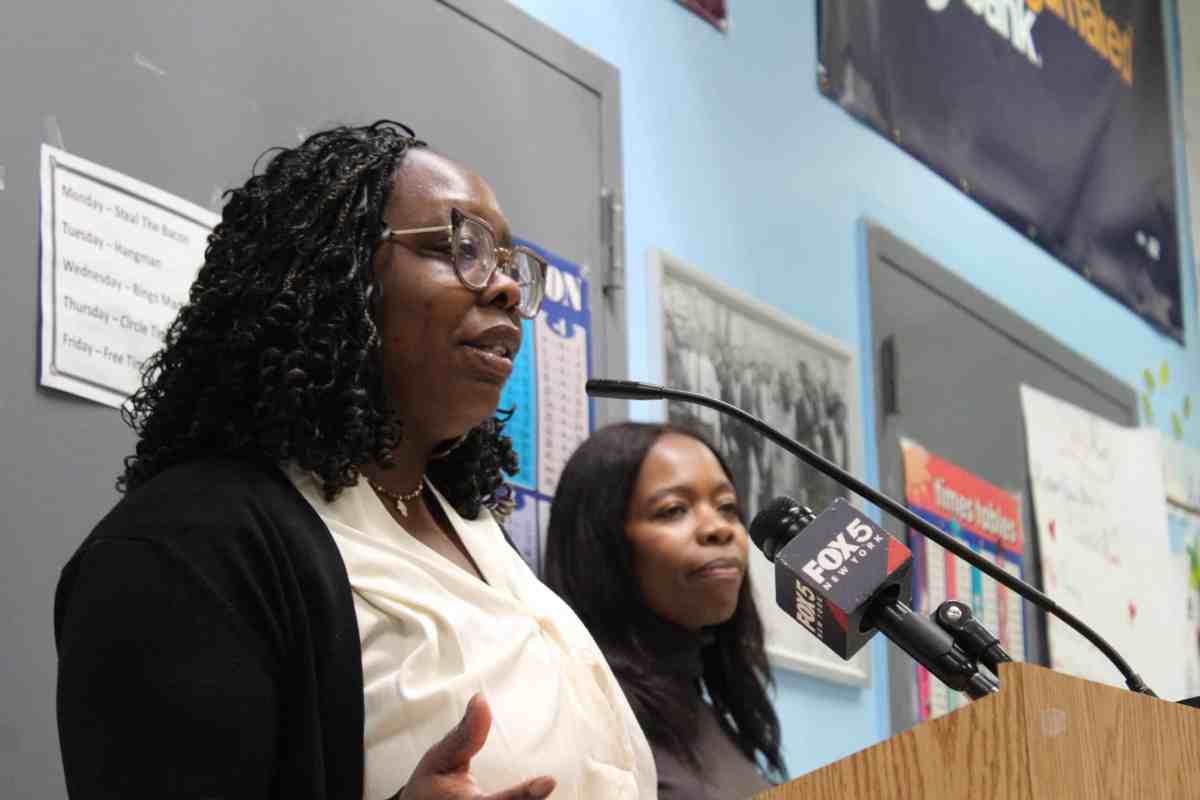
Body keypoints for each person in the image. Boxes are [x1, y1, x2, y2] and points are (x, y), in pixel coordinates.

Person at [54, 121, 656, 800]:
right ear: (332, 275)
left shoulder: (476, 531)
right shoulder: (186, 551)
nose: (508, 289)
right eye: (460, 248)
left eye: (512, 266)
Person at [543, 423, 787, 799]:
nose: (719, 529)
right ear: (603, 543)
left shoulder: (708, 712)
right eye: (674, 510)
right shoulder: (579, 709)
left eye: (727, 507)